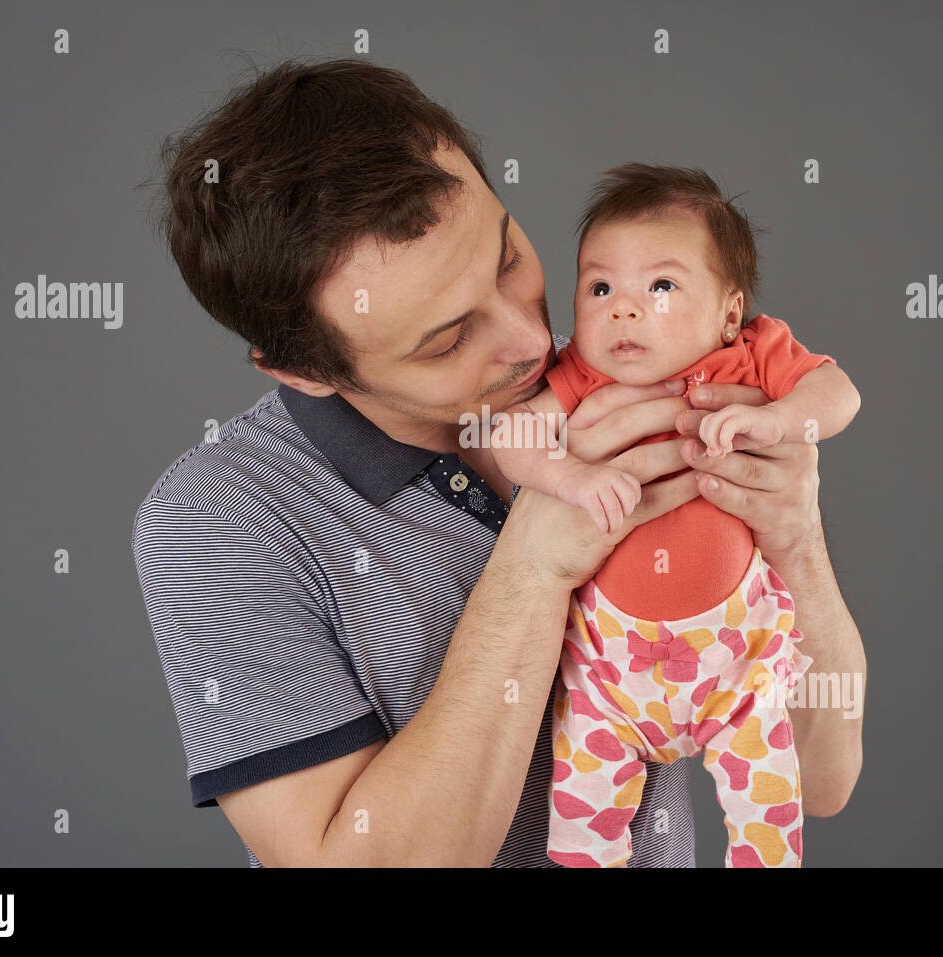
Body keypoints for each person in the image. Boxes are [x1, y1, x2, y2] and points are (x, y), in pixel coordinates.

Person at [131, 57, 867, 867]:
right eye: (446, 339)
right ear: (304, 369)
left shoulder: (618, 386)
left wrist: (798, 541)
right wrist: (532, 567)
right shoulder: (216, 522)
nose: (529, 341)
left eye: (509, 256)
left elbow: (822, 781)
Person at [490, 163, 861, 866]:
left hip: (738, 663)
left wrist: (780, 422)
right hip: (608, 674)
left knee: (768, 814)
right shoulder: (580, 377)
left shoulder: (750, 358)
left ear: (730, 310)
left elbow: (838, 394)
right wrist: (567, 475)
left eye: (660, 286)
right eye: (601, 288)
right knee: (582, 818)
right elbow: (510, 436)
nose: (624, 308)